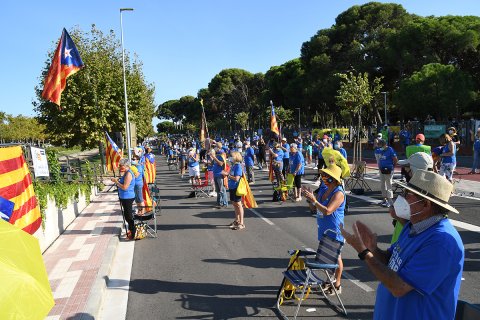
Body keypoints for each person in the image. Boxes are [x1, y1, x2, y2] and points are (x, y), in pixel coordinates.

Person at [341, 170, 464, 320]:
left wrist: (364, 253)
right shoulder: (413, 226)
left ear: (425, 204)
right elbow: (391, 261)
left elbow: (399, 287)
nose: (402, 198)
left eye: (407, 194)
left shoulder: (442, 242)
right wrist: (372, 248)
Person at [302, 164, 345, 295]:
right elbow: (314, 209)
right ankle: (329, 280)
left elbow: (328, 211)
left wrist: (314, 201)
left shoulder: (338, 193)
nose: (323, 177)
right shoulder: (323, 189)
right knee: (327, 258)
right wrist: (310, 201)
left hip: (334, 230)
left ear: (334, 178)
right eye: (323, 175)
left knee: (336, 258)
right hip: (323, 230)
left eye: (327, 175)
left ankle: (337, 284)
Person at [392, 152, 434, 243]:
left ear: (414, 170)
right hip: (401, 243)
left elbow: (419, 227)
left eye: (407, 167)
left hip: (407, 244)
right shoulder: (432, 189)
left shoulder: (418, 194)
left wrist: (397, 216)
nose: (404, 170)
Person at [111, 159, 136, 240]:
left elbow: (125, 187)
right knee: (126, 215)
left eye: (122, 166)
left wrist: (116, 182)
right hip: (124, 197)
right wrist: (117, 180)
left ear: (127, 166)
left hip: (128, 197)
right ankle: (130, 230)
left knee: (128, 216)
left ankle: (133, 233)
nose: (120, 167)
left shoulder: (128, 174)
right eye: (120, 166)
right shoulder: (126, 173)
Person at [224, 151, 245, 230]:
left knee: (239, 205)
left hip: (236, 188)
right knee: (234, 204)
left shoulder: (238, 166)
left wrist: (228, 175)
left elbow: (237, 178)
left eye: (232, 156)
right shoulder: (233, 166)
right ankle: (237, 220)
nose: (230, 158)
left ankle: (242, 223)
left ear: (236, 157)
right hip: (232, 187)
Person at [375, 139, 398, 207]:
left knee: (389, 185)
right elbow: (378, 160)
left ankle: (390, 201)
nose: (379, 148)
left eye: (380, 146)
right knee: (383, 184)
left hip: (389, 169)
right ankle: (384, 199)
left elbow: (395, 159)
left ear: (384, 145)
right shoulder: (378, 150)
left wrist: (392, 167)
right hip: (381, 169)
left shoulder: (390, 150)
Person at [211, 142, 228, 209]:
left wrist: (214, 157)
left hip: (220, 174)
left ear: (218, 147)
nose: (214, 148)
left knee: (222, 190)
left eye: (215, 147)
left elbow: (221, 164)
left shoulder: (221, 154)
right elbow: (214, 163)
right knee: (218, 190)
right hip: (215, 174)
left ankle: (224, 203)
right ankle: (219, 203)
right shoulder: (217, 155)